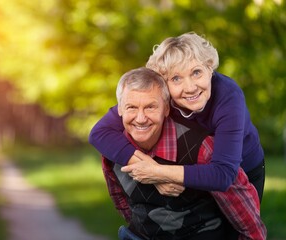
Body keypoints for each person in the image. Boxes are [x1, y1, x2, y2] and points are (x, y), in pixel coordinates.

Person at [89, 32, 265, 204]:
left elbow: (223, 175)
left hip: (242, 171)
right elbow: (99, 133)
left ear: (210, 68)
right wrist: (152, 170)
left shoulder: (228, 96)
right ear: (164, 83)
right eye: (176, 78)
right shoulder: (162, 96)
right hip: (189, 171)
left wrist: (159, 173)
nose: (189, 88)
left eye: (196, 72)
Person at [100, 67, 266, 240]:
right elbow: (121, 201)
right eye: (131, 107)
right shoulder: (112, 149)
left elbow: (245, 217)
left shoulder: (201, 147)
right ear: (119, 110)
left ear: (166, 109)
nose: (141, 118)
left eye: (150, 107)